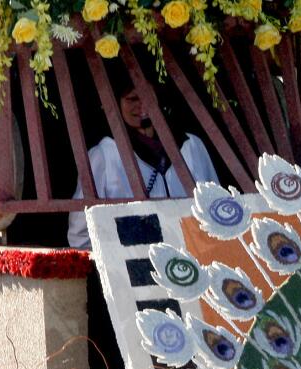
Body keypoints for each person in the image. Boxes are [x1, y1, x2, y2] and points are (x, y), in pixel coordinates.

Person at [67, 76, 217, 249]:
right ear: (116, 103)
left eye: (147, 96)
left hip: (194, 254)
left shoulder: (191, 145)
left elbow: (215, 205)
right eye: (132, 99)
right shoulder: (104, 154)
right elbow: (80, 231)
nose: (141, 105)